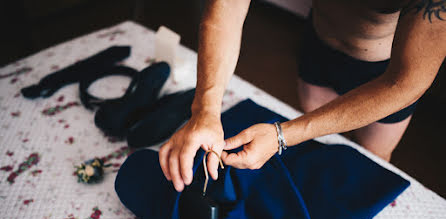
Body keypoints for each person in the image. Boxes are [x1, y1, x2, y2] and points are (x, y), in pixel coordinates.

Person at [159, 0, 446, 192]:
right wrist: (206, 110)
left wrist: (282, 136)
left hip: (386, 76)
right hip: (319, 46)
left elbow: (408, 81)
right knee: (314, 138)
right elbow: (226, 12)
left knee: (373, 160)